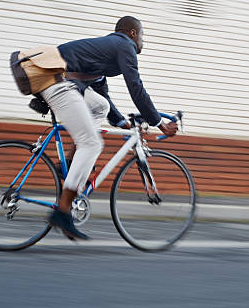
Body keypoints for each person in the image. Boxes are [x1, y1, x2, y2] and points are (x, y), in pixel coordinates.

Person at [38, 16, 178, 240]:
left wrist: (121, 122)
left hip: (60, 81)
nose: (143, 41)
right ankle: (62, 212)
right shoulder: (124, 46)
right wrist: (158, 122)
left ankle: (74, 158)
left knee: (100, 106)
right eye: (142, 35)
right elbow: (136, 86)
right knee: (92, 143)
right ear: (132, 33)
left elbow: (103, 96)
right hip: (56, 80)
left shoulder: (103, 56)